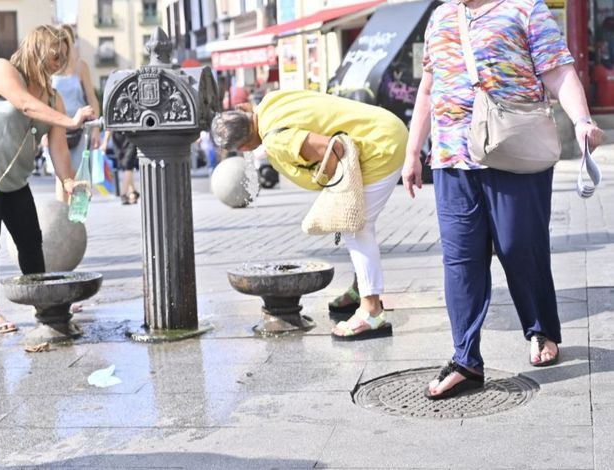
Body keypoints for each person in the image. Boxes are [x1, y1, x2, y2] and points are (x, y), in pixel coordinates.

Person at [403, 0, 604, 399]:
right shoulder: (441, 17)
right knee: (460, 259)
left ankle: (541, 328)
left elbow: (559, 71)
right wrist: (412, 152)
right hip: (452, 158)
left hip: (515, 150)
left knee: (519, 247)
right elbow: (429, 86)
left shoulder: (526, 10)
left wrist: (582, 121)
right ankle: (465, 360)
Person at [211, 90, 407, 340]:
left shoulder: (276, 141)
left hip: (380, 147)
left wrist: (335, 191)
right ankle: (362, 289)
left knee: (357, 228)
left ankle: (371, 311)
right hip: (382, 127)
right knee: (358, 225)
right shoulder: (270, 102)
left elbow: (332, 149)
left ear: (243, 146)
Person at [0, 24, 94, 333]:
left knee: (31, 243)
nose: (58, 62)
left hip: (15, 178)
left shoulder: (52, 97)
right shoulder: (1, 69)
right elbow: (23, 104)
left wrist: (69, 182)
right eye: (54, 55)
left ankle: (43, 304)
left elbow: (58, 147)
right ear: (36, 48)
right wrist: (72, 120)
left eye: (62, 57)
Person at [52, 24, 100, 203]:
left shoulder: (81, 66)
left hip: (81, 130)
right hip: (57, 128)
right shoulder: (51, 67)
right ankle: (63, 224)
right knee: (61, 177)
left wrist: (95, 130)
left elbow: (92, 99)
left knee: (80, 176)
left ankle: (78, 223)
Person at [102, 130, 139, 204]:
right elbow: (108, 124)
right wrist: (105, 141)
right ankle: (133, 191)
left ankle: (123, 193)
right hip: (117, 138)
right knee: (124, 166)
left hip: (131, 135)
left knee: (128, 164)